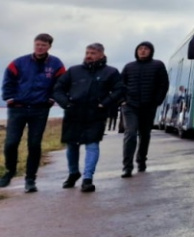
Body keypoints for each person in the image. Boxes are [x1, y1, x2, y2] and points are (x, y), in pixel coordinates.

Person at [52, 43, 124, 192]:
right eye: (87, 52)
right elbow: (58, 89)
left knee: (92, 145)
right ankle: (73, 173)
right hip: (74, 113)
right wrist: (66, 104)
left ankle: (87, 178)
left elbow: (119, 90)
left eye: (92, 53)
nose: (89, 55)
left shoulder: (110, 72)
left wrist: (105, 103)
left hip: (95, 114)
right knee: (72, 145)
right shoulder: (74, 71)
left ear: (101, 55)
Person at [1, 33, 66, 192]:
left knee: (34, 144)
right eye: (37, 44)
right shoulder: (19, 62)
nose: (39, 47)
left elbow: (61, 84)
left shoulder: (56, 64)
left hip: (40, 109)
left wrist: (51, 100)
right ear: (34, 44)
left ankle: (30, 179)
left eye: (43, 45)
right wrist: (9, 98)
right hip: (18, 108)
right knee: (11, 143)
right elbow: (8, 79)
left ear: (49, 46)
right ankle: (10, 171)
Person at [119, 41, 169, 177]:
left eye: (146, 49)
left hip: (148, 106)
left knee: (145, 135)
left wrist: (157, 101)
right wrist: (122, 101)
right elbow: (120, 85)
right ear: (136, 51)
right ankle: (127, 167)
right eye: (140, 49)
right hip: (130, 106)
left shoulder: (158, 65)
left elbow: (163, 84)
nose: (142, 51)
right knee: (130, 133)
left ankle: (141, 160)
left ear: (151, 51)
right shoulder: (129, 67)